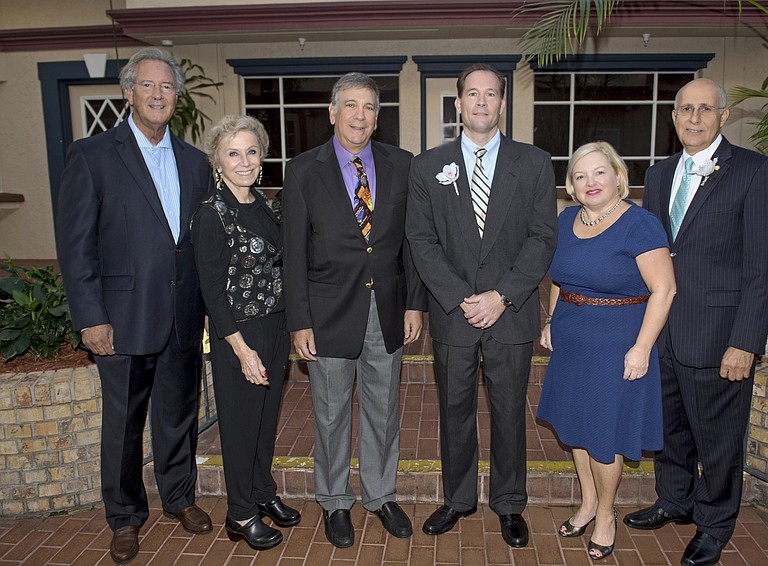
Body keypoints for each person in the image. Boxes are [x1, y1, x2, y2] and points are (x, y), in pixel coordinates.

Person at [55, 47, 213, 564]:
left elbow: (200, 242)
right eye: (147, 85)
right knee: (122, 424)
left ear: (176, 98)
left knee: (178, 417)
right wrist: (91, 317)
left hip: (183, 315)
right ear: (128, 93)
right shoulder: (93, 154)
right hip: (120, 321)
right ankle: (123, 516)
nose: (158, 95)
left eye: (167, 87)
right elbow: (76, 245)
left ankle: (179, 498)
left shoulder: (195, 162)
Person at [624, 78, 768, 566]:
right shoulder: (658, 174)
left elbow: (763, 269)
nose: (694, 118)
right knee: (670, 427)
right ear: (673, 118)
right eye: (685, 110)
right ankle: (674, 501)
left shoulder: (755, 172)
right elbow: (654, 251)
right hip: (664, 330)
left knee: (717, 438)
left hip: (718, 337)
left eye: (705, 110)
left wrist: (745, 342)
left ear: (724, 116)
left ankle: (714, 523)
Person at [406, 63, 558, 548]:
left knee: (510, 411)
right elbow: (421, 239)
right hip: (454, 315)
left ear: (502, 104)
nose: (480, 102)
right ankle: (457, 499)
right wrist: (459, 298)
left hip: (509, 315)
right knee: (454, 411)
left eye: (490, 94)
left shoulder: (533, 163)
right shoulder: (428, 164)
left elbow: (541, 238)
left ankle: (510, 504)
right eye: (472, 94)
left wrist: (502, 296)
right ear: (458, 104)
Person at [282, 72, 427, 548]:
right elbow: (294, 253)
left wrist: (413, 304)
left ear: (377, 115)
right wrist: (299, 321)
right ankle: (334, 500)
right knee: (329, 413)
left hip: (386, 310)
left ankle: (381, 495)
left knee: (384, 411)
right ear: (332, 112)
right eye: (350, 106)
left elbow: (411, 242)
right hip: (327, 314)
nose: (360, 116)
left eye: (368, 107)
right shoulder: (304, 170)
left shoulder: (402, 165)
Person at [536, 141, 676, 560]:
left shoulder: (641, 224)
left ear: (618, 176)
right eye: (580, 176)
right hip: (572, 338)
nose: (590, 182)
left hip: (617, 343)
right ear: (571, 186)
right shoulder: (565, 221)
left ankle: (606, 515)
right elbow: (560, 277)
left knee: (603, 435)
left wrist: (642, 348)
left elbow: (664, 289)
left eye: (599, 172)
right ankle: (587, 503)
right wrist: (550, 319)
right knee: (575, 428)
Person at [190, 115, 301, 551]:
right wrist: (240, 349)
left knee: (263, 420)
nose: (244, 161)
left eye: (251, 151)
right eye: (233, 153)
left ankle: (261, 492)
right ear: (217, 160)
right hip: (238, 334)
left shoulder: (266, 206)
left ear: (262, 157)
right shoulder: (211, 214)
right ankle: (239, 513)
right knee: (239, 426)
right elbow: (212, 293)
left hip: (274, 326)